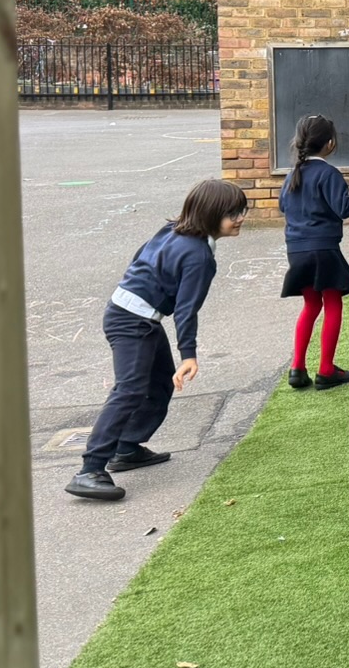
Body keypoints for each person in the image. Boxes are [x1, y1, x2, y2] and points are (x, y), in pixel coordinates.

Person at [67, 178, 250, 502]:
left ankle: (126, 448)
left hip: (135, 315)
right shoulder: (199, 257)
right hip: (132, 321)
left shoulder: (174, 229)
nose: (240, 219)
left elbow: (141, 258)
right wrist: (188, 355)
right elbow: (185, 309)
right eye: (232, 213)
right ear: (209, 214)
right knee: (130, 390)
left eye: (241, 211)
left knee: (159, 385)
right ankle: (90, 470)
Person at [279, 114, 349, 391]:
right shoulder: (328, 173)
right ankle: (327, 369)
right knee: (332, 303)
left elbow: (284, 206)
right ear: (330, 143)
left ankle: (298, 368)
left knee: (310, 305)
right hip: (323, 248)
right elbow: (344, 208)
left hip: (296, 249)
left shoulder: (293, 173)